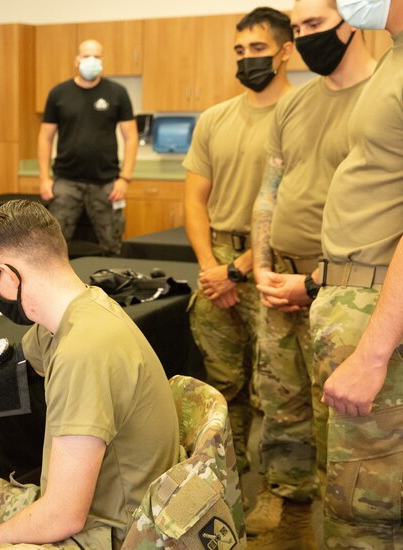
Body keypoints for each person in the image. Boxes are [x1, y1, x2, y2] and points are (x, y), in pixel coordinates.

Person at [0, 200, 180, 549]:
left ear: (10, 278)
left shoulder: (82, 352)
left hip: (111, 534)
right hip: (106, 509)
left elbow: (63, 516)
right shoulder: (78, 314)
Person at [246, 1, 376, 546]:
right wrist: (260, 266)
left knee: (340, 416)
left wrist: (316, 282)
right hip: (280, 280)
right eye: (296, 30)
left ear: (353, 21)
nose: (303, 39)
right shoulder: (294, 106)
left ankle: (336, 512)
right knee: (281, 400)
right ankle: (286, 494)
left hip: (347, 289)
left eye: (314, 26)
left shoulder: (382, 100)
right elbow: (269, 190)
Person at [305, 0, 403, 545]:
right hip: (356, 299)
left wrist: (371, 354)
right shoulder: (394, 55)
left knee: (369, 515)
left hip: (378, 316)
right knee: (353, 497)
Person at [183, 7, 294, 477]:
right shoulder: (214, 119)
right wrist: (213, 267)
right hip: (218, 264)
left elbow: (295, 205)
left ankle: (287, 496)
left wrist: (239, 268)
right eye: (240, 50)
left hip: (276, 263)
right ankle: (227, 479)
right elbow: (193, 200)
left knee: (279, 388)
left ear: (285, 52)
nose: (247, 59)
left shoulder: (300, 115)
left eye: (258, 49)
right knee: (222, 384)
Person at [38, 39, 138, 257]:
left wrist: (125, 179)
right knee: (54, 247)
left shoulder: (117, 93)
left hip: (107, 183)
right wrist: (45, 178)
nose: (91, 60)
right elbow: (45, 137)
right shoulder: (59, 93)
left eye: (96, 56)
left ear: (103, 60)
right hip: (65, 182)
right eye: (86, 56)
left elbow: (131, 136)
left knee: (113, 245)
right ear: (77, 60)